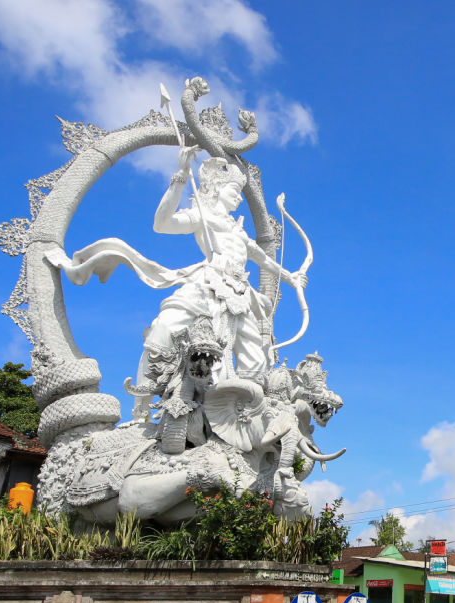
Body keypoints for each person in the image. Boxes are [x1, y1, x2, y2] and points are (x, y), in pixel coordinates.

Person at [56, 146, 307, 413]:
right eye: (233, 193)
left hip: (240, 294)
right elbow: (162, 223)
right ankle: (142, 407)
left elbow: (263, 259)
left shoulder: (238, 229)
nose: (237, 200)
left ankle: (238, 418)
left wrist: (291, 278)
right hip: (208, 282)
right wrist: (180, 177)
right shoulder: (202, 214)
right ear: (216, 189)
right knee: (163, 330)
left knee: (256, 361)